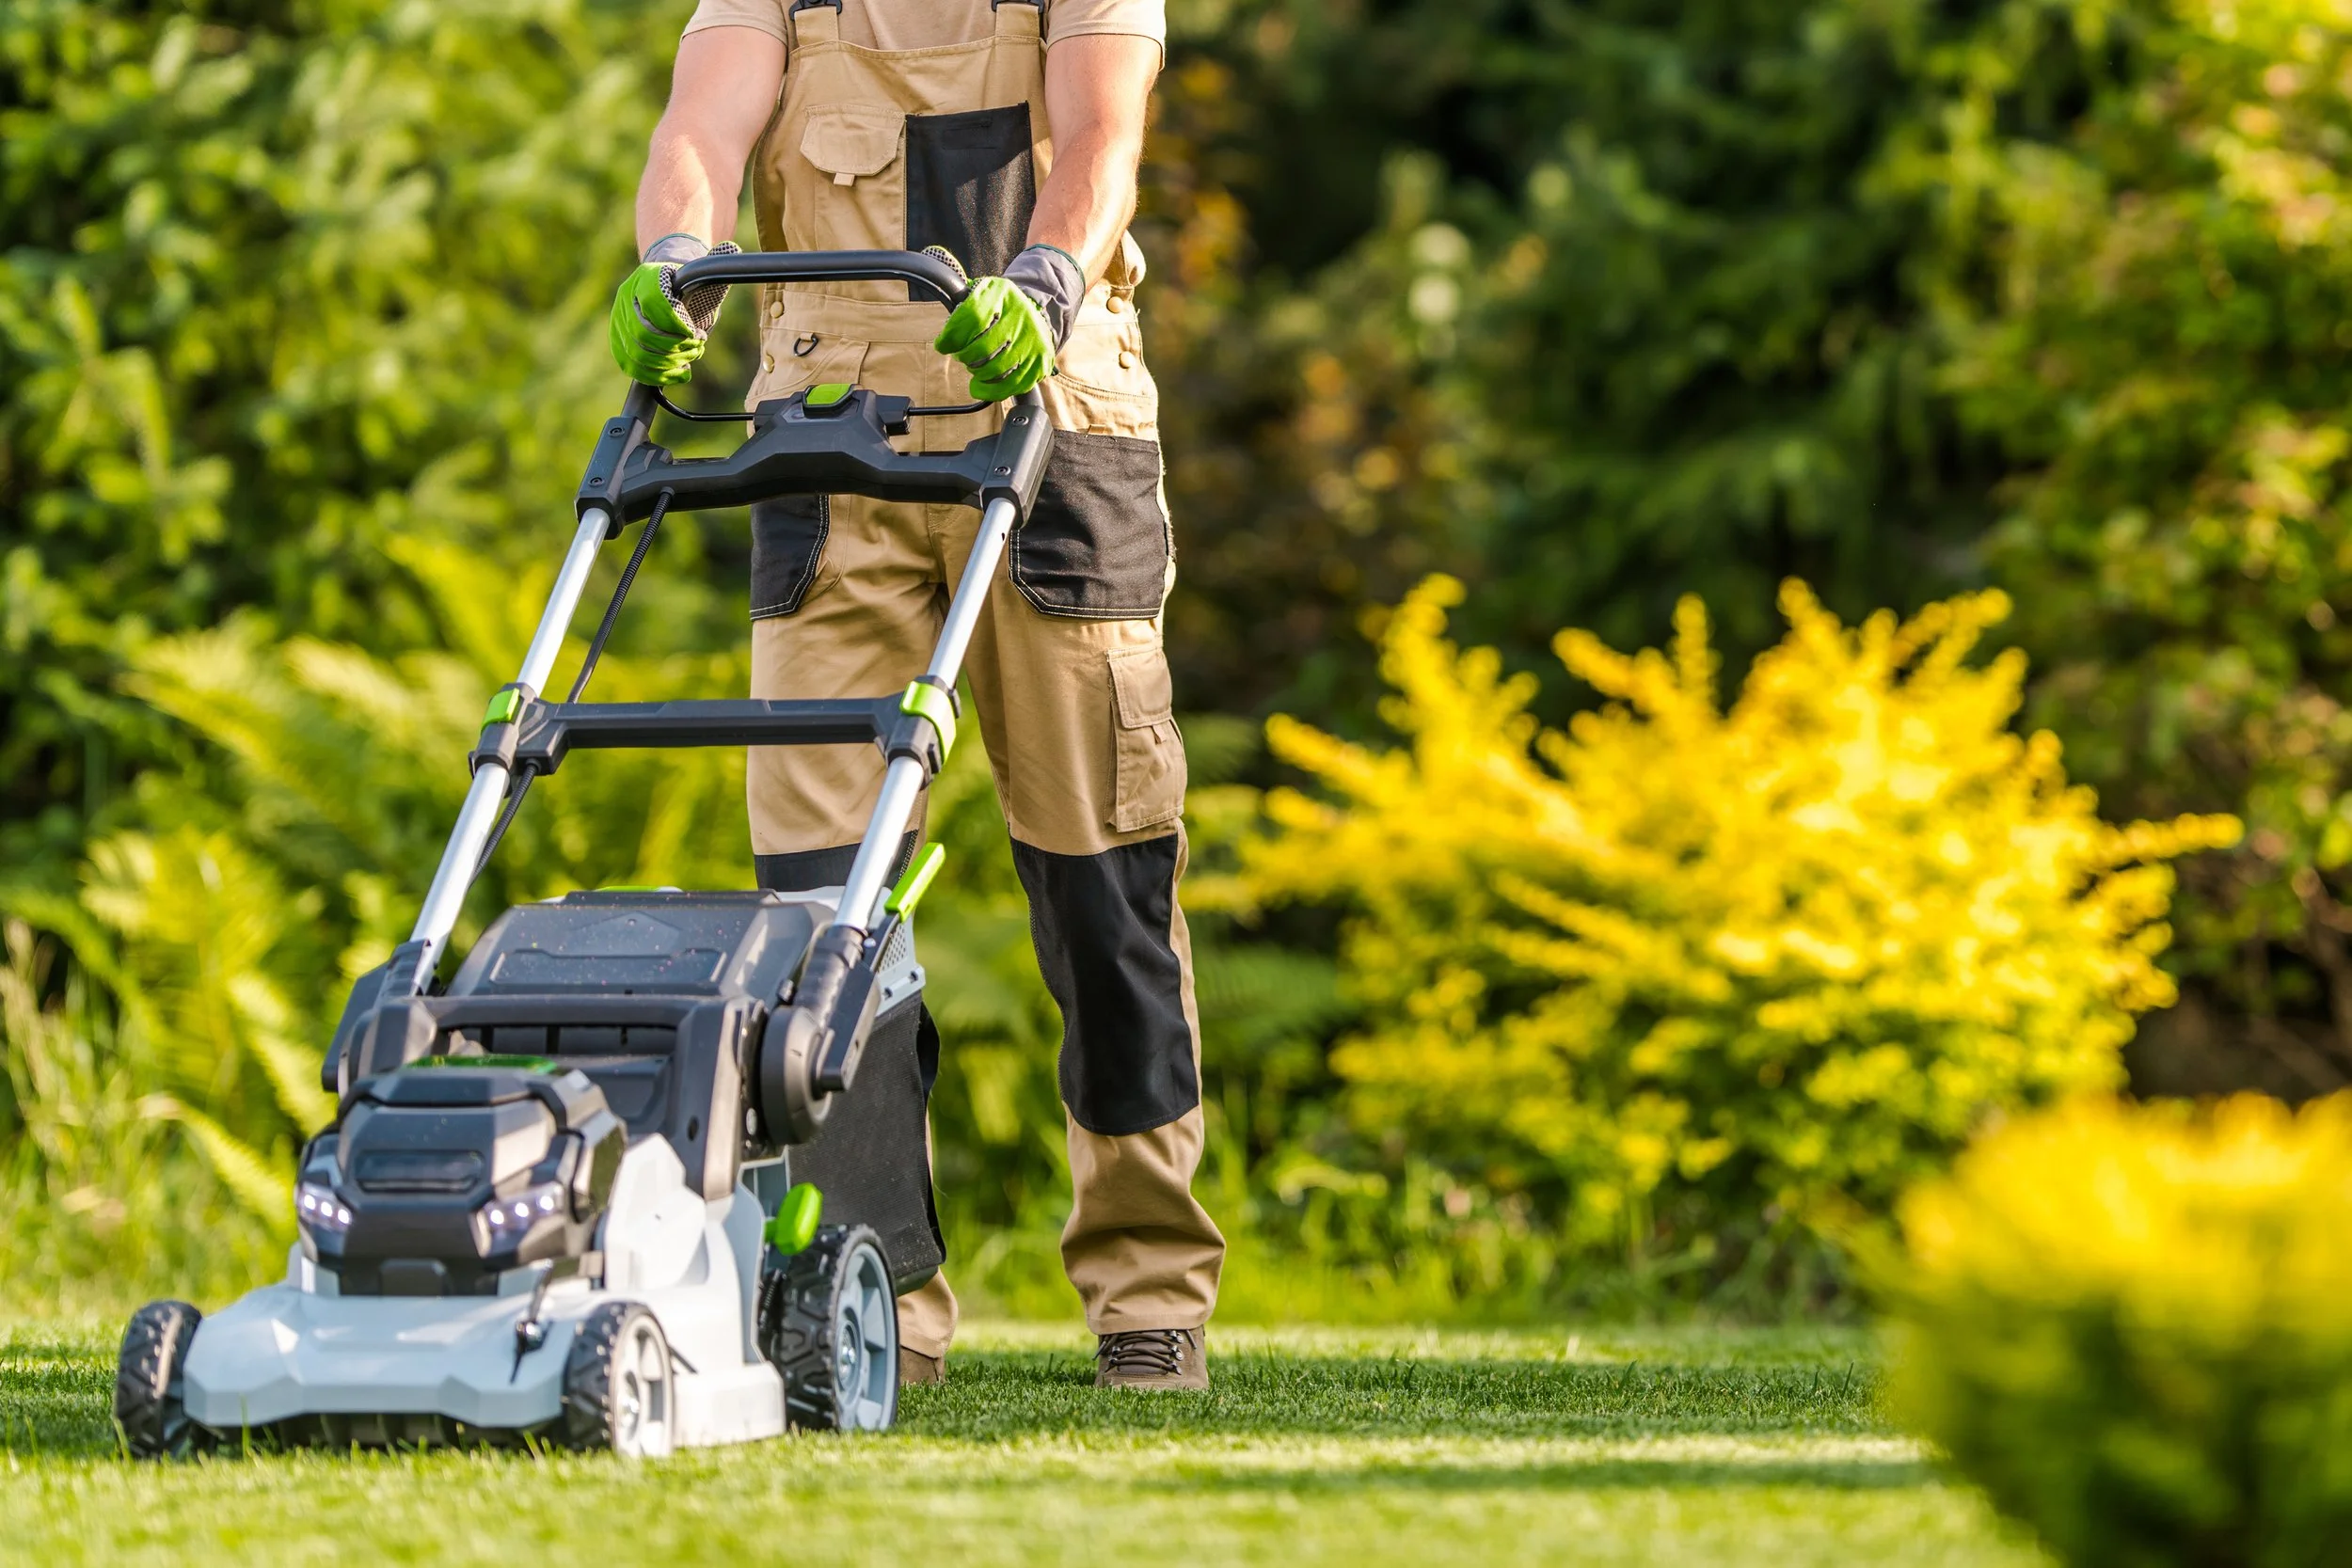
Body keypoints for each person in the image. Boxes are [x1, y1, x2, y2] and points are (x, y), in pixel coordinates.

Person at [610, 0, 1220, 1391]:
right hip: (826, 442)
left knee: (1101, 872)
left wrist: (1052, 277)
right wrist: (675, 260)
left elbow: (1099, 137)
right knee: (821, 906)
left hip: (1051, 425)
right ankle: (871, 1291)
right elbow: (699, 128)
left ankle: (1149, 1285)